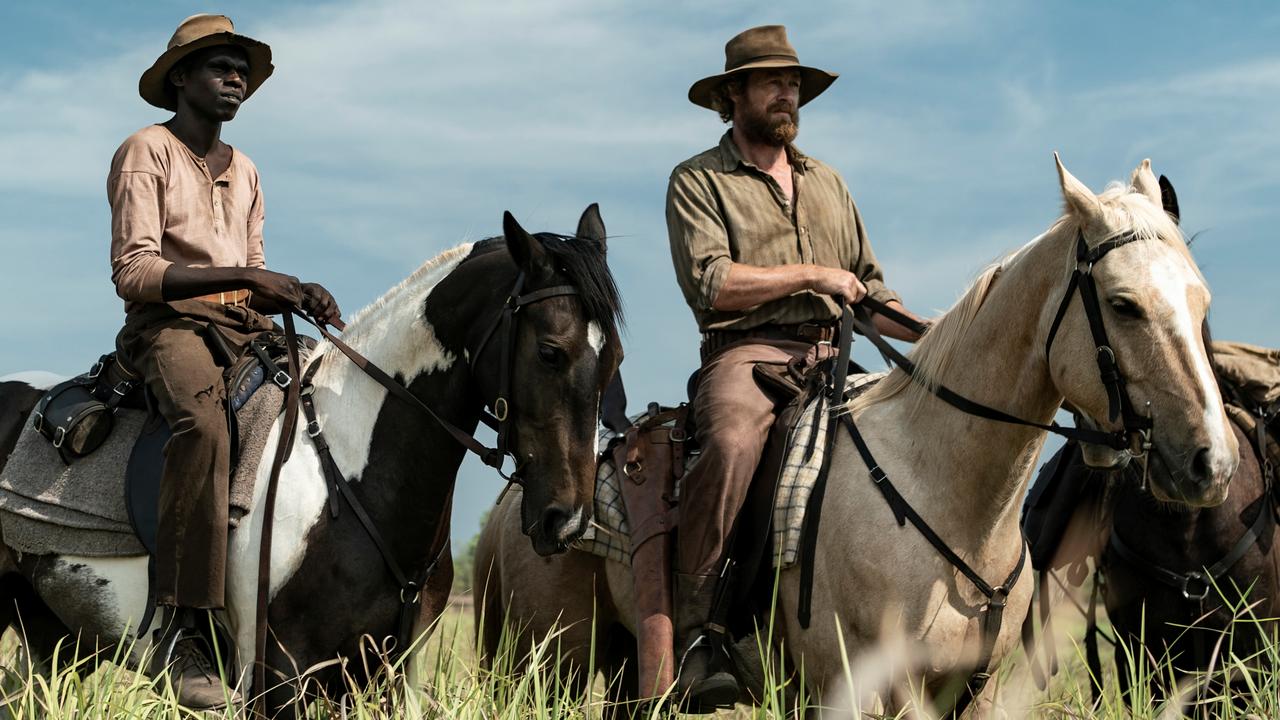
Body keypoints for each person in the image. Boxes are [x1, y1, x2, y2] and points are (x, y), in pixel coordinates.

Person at [666, 25, 930, 708]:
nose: (789, 94)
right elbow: (713, 285)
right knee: (727, 444)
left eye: (795, 84)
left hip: (836, 355)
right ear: (733, 95)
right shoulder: (698, 180)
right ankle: (699, 632)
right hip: (749, 353)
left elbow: (870, 291)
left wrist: (933, 334)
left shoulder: (829, 183)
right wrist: (814, 274)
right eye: (773, 82)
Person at [109, 14, 339, 709]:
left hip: (242, 326)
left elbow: (256, 272)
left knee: (331, 397)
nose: (235, 79)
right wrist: (246, 277)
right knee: (204, 427)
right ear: (180, 78)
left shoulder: (246, 170)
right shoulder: (146, 150)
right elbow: (136, 271)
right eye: (218, 66)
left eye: (242, 69)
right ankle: (183, 628)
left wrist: (293, 294)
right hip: (168, 326)